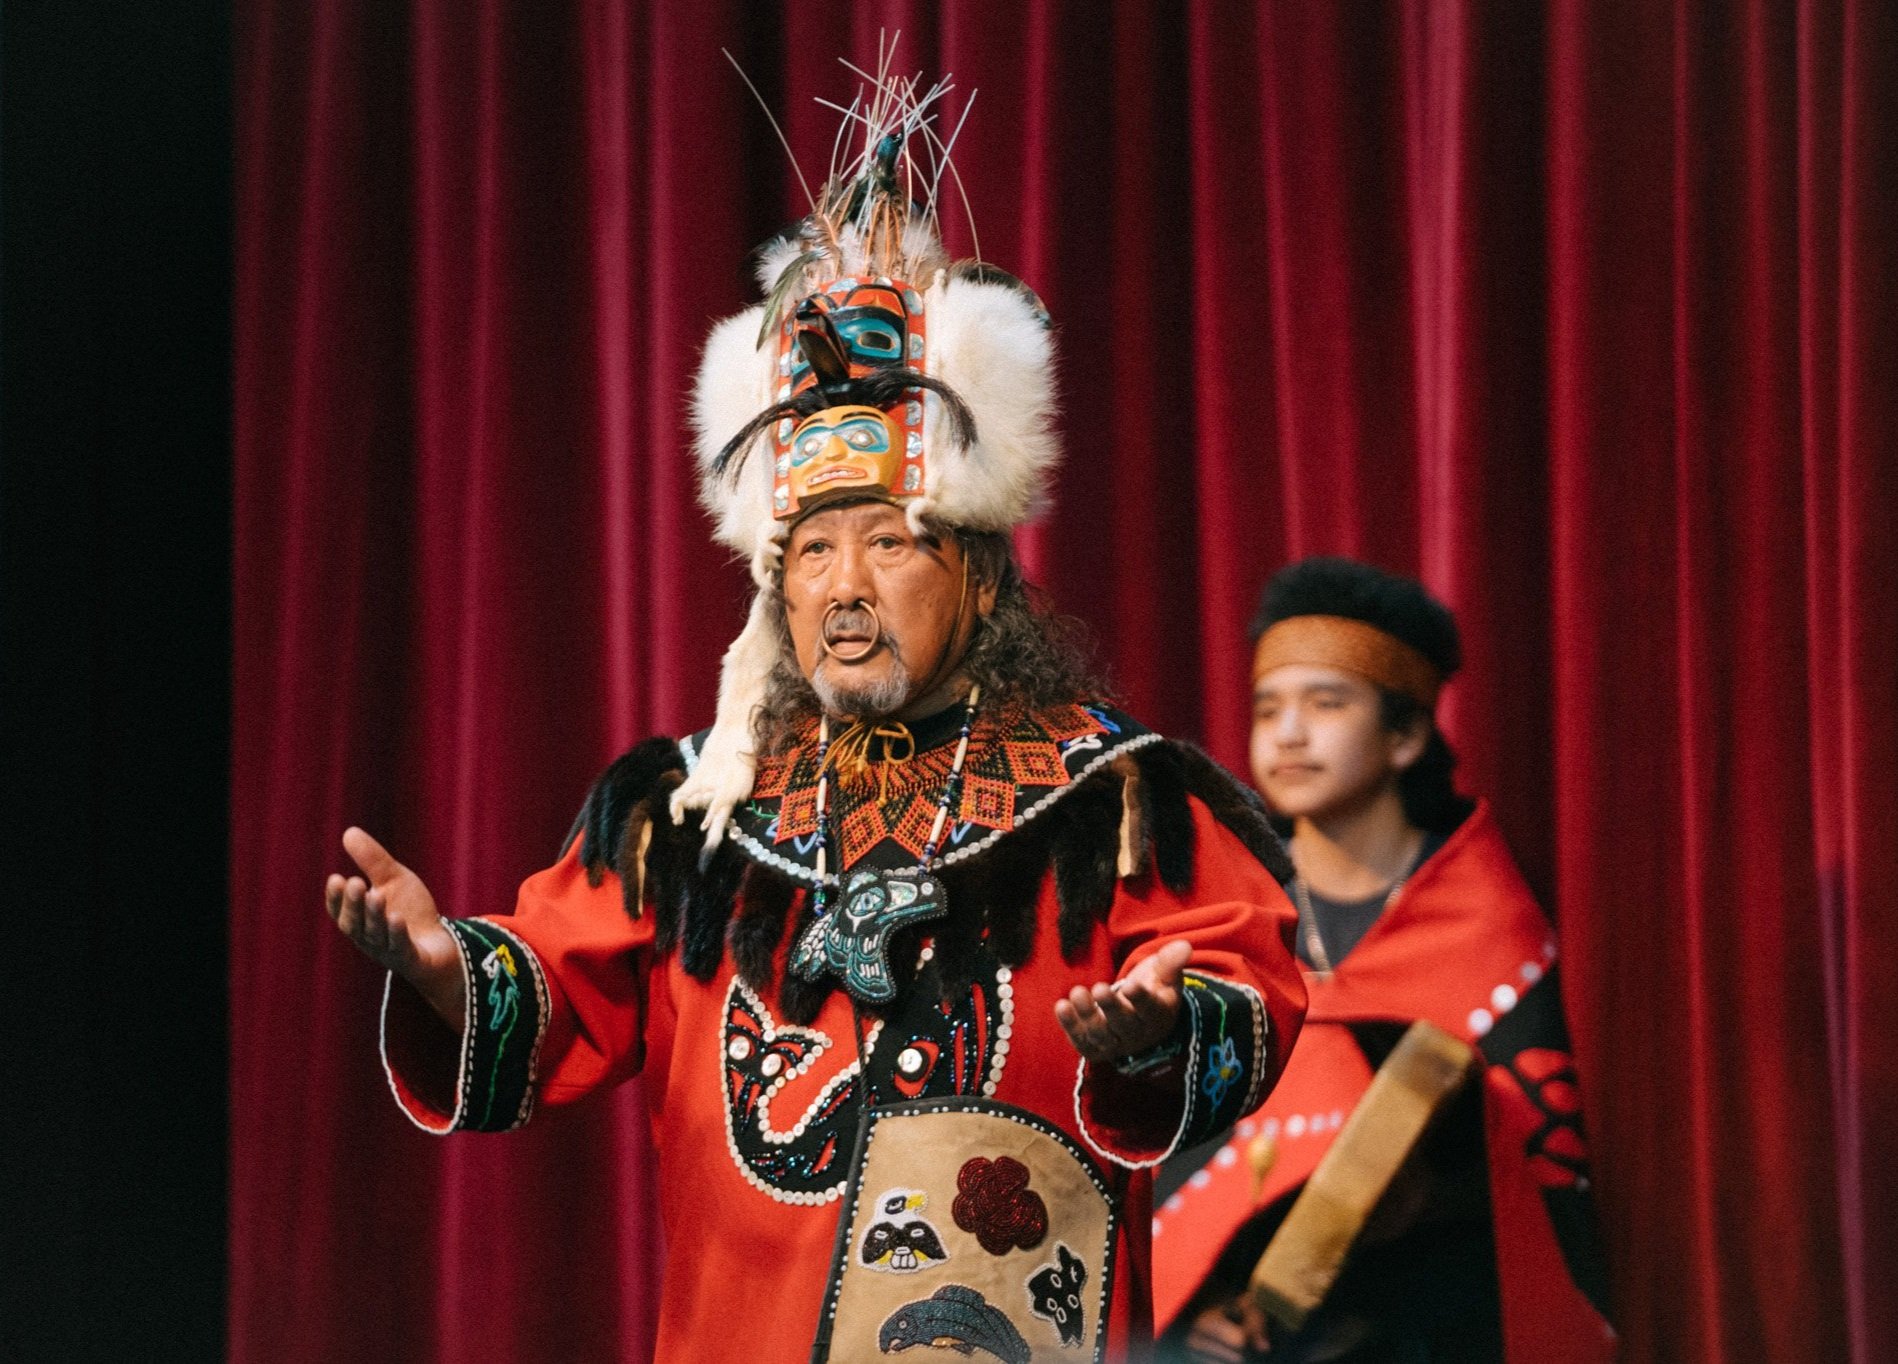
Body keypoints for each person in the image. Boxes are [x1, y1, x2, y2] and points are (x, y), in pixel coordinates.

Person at [324, 77, 1306, 1364]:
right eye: (810, 550)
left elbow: (1253, 981)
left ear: (975, 566)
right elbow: (555, 980)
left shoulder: (1114, 798)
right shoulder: (691, 813)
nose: (840, 587)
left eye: (886, 541)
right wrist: (450, 970)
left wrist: (1169, 1030)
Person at [1152, 558, 1614, 1363]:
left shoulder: (1483, 913)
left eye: (1325, 704)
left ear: (1405, 735)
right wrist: (1211, 1296)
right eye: (1268, 709)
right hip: (1236, 1311)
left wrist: (1425, 1194)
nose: (1288, 733)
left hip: (1430, 1313)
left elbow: (1539, 1168)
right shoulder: (1231, 902)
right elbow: (1185, 1145)